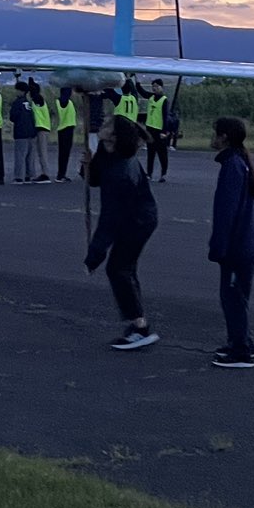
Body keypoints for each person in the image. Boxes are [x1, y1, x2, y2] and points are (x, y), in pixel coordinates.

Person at [85, 115, 160, 350]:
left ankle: (140, 327)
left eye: (107, 125)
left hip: (137, 221)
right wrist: (88, 165)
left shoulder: (121, 171)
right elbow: (96, 180)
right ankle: (139, 322)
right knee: (124, 269)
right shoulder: (107, 150)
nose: (102, 125)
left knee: (118, 269)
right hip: (133, 217)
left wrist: (95, 253)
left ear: (115, 136)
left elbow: (111, 217)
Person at [207, 116, 254, 367]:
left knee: (232, 298)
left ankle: (241, 350)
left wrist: (218, 248)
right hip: (248, 243)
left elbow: (226, 212)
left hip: (237, 247)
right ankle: (240, 341)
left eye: (215, 133)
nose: (212, 137)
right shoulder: (240, 162)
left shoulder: (232, 165)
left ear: (224, 137)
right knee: (237, 296)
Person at [9, 80, 40, 183]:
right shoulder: (29, 103)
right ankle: (29, 175)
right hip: (31, 132)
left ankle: (18, 177)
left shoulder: (17, 103)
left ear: (20, 91)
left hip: (21, 133)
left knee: (20, 156)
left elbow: (13, 117)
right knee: (30, 156)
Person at [143, 80, 170, 181]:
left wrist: (164, 131)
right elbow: (142, 92)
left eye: (157, 86)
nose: (154, 88)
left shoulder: (164, 100)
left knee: (162, 153)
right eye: (153, 86)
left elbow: (165, 116)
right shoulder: (151, 97)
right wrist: (135, 82)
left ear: (161, 87)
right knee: (150, 153)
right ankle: (149, 173)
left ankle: (164, 173)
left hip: (159, 130)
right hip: (150, 128)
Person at [28, 80, 53, 181]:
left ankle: (45, 174)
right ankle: (44, 172)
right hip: (42, 128)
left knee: (42, 153)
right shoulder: (38, 99)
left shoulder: (38, 99)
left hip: (41, 128)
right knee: (41, 152)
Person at [55, 85, 77, 182]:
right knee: (64, 153)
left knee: (63, 154)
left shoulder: (59, 101)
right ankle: (61, 175)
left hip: (63, 128)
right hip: (66, 129)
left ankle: (61, 174)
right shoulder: (65, 102)